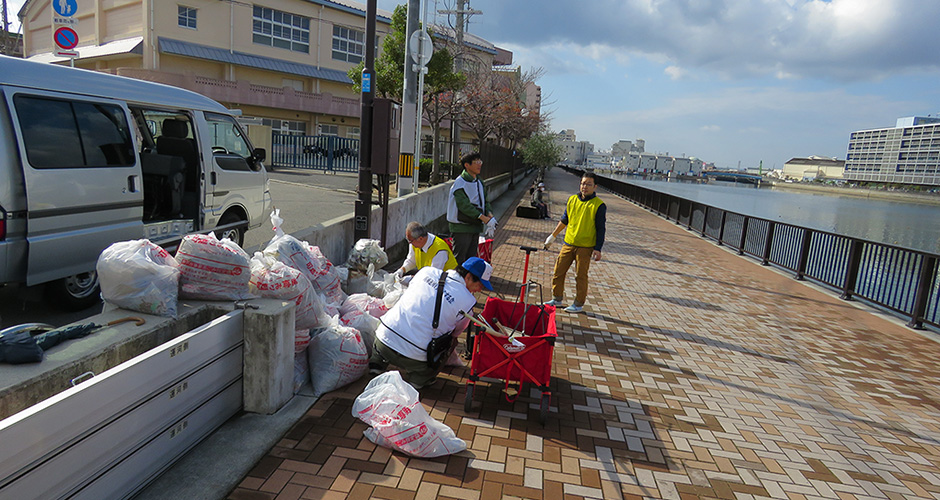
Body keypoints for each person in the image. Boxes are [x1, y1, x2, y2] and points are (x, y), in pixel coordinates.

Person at [370, 257, 494, 390]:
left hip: (384, 338)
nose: (479, 290)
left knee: (392, 321)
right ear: (469, 277)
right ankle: (420, 378)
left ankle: (376, 362)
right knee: (450, 342)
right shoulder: (468, 302)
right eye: (480, 285)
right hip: (415, 357)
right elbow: (454, 334)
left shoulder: (426, 272)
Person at [543, 172, 606, 313]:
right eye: (583, 183)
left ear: (595, 186)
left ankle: (578, 304)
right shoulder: (572, 200)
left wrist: (598, 248)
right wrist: (552, 236)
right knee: (558, 270)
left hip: (585, 246)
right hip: (568, 243)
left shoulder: (599, 205)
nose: (585, 187)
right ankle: (557, 298)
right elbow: (564, 220)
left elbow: (601, 229)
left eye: (589, 184)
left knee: (580, 276)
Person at [447, 152, 495, 264]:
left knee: (471, 259)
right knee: (459, 259)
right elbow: (464, 206)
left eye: (480, 161)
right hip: (461, 227)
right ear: (467, 165)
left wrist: (489, 214)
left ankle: (467, 280)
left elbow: (485, 200)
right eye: (476, 162)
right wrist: (483, 218)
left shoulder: (479, 181)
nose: (479, 164)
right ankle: (457, 280)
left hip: (475, 225)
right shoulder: (460, 183)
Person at [393, 221, 458, 280]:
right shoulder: (415, 242)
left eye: (410, 241)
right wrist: (402, 270)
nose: (409, 243)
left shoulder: (440, 250)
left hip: (448, 282)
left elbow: (433, 276)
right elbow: (411, 261)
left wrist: (412, 279)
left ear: (420, 238)